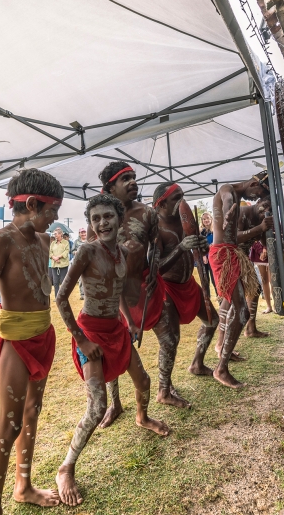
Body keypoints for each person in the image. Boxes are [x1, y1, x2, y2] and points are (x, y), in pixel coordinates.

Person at [55, 194, 169, 507]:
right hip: (90, 331)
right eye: (96, 219)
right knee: (97, 406)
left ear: (119, 219)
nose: (102, 223)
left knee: (143, 382)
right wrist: (81, 340)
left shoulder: (121, 253)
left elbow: (117, 289)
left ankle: (142, 417)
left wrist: (127, 321)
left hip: (116, 329)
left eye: (108, 216)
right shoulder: (87, 251)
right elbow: (62, 298)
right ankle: (66, 467)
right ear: (90, 224)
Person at [0, 169, 64, 511]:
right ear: (31, 204)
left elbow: (57, 284)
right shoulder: (1, 240)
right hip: (14, 341)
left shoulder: (46, 242)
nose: (55, 218)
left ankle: (23, 486)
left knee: (32, 412)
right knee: (9, 427)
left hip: (44, 334)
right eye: (52, 210)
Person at [90, 162, 169, 426]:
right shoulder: (100, 215)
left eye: (134, 177)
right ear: (111, 186)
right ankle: (115, 404)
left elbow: (155, 246)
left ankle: (164, 389)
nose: (133, 181)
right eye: (126, 178)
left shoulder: (147, 213)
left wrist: (155, 269)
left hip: (145, 287)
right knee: (112, 349)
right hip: (112, 297)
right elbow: (94, 252)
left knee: (170, 338)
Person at [208, 173, 270, 388]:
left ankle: (219, 352)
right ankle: (221, 368)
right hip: (224, 253)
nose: (257, 199)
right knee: (241, 311)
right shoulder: (228, 190)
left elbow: (262, 240)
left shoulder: (241, 201)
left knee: (236, 308)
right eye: (259, 194)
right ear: (254, 184)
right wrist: (227, 214)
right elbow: (226, 201)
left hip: (230, 253)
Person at [151, 182, 218, 378]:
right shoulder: (155, 229)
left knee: (212, 321)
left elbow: (198, 250)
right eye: (176, 198)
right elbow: (156, 268)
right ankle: (164, 389)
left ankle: (197, 363)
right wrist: (181, 247)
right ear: (161, 204)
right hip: (167, 289)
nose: (182, 201)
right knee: (170, 340)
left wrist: (202, 246)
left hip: (189, 285)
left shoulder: (185, 221)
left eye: (183, 196)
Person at [234, 198, 275, 338]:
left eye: (270, 207)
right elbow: (235, 238)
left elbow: (265, 242)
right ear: (257, 202)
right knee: (233, 298)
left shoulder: (262, 219)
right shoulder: (242, 212)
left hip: (244, 258)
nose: (267, 209)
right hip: (230, 257)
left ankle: (251, 329)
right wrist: (260, 228)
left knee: (254, 289)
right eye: (264, 205)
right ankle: (222, 344)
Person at [250, 241, 273, 314]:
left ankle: (277, 304)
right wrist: (260, 250)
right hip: (259, 253)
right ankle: (269, 306)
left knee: (273, 280)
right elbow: (253, 238)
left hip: (272, 248)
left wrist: (265, 248)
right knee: (264, 280)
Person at [49, 227, 70, 297]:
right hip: (54, 265)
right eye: (54, 234)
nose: (55, 235)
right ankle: (57, 297)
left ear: (60, 234)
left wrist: (58, 257)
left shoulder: (66, 242)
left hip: (63, 265)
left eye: (56, 234)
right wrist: (54, 257)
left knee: (63, 281)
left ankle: (63, 297)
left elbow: (66, 252)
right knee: (55, 282)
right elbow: (49, 252)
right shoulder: (52, 243)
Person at [199, 212, 217, 292]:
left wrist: (209, 249)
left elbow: (216, 244)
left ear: (211, 219)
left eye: (208, 218)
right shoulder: (201, 233)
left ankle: (220, 300)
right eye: (204, 219)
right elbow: (200, 246)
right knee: (205, 281)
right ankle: (207, 300)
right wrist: (203, 255)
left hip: (214, 258)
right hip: (204, 259)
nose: (206, 220)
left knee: (215, 280)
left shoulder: (216, 231)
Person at [72, 227, 88, 299]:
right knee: (81, 279)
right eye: (82, 232)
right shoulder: (76, 242)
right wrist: (75, 252)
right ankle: (82, 294)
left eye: (84, 232)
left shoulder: (89, 241)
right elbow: (72, 251)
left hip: (88, 263)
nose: (83, 234)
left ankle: (88, 294)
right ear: (79, 234)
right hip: (79, 263)